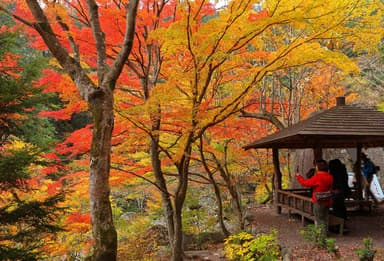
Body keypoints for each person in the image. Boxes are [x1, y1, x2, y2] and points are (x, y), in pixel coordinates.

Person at [296, 159, 333, 236]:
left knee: (319, 218)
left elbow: (305, 183)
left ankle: (321, 236)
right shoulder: (330, 176)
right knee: (325, 217)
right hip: (328, 200)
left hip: (319, 201)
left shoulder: (317, 177)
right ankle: (325, 233)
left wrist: (298, 176)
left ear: (318, 167)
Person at [329, 159, 350, 233]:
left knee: (337, 210)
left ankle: (338, 227)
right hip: (342, 192)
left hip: (337, 193)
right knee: (341, 209)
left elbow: (335, 183)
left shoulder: (334, 173)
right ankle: (343, 226)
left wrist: (334, 190)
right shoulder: (343, 171)